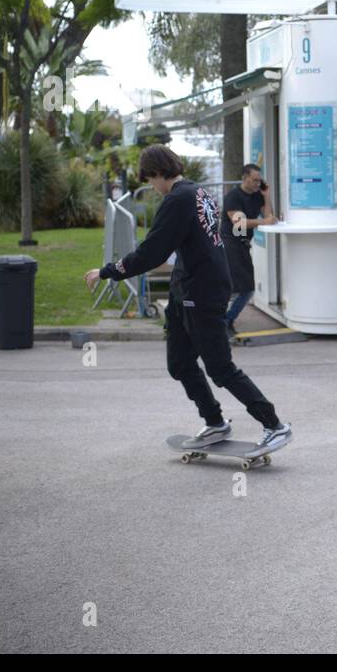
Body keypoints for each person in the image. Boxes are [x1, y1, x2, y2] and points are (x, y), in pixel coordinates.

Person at [83, 145, 292, 452]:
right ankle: (215, 422)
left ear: (156, 173)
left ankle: (274, 425)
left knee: (220, 368)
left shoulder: (178, 199)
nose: (152, 186)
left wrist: (108, 271)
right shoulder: (197, 192)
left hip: (203, 292)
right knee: (180, 363)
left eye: (150, 179)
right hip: (186, 289)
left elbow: (150, 253)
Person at [221, 163, 277, 339]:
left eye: (259, 180)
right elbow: (239, 223)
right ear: (244, 178)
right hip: (230, 244)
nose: (257, 184)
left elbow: (269, 216)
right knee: (245, 289)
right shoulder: (233, 197)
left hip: (244, 245)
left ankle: (224, 321)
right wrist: (263, 222)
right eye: (254, 180)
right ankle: (225, 321)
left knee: (241, 288)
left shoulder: (256, 196)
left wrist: (266, 196)